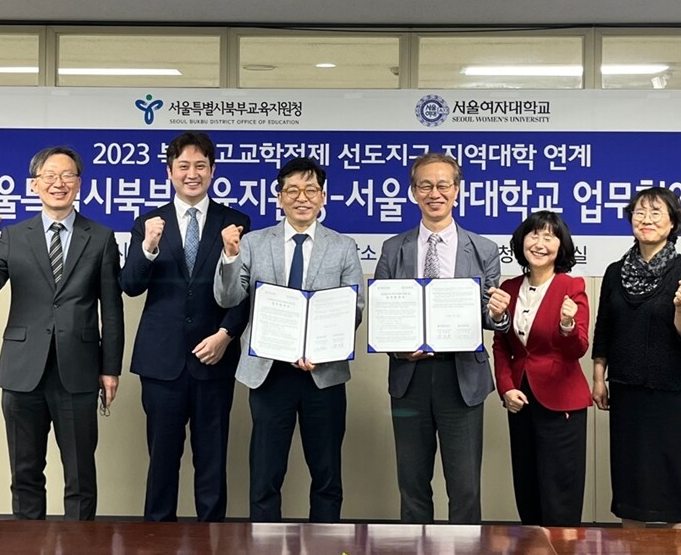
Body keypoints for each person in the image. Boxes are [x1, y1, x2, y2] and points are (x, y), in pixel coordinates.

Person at [0, 146, 124, 520]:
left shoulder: (100, 237)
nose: (59, 183)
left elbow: (112, 310)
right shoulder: (13, 236)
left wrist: (110, 369)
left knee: (81, 475)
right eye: (50, 176)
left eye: (68, 175)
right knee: (25, 473)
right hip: (23, 371)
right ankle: (27, 543)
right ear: (34, 185)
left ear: (79, 184)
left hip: (78, 369)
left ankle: (80, 545)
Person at [214, 157, 364, 523]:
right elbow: (228, 298)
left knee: (327, 474)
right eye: (292, 190)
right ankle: (263, 544)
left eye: (311, 190)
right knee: (266, 473)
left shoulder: (343, 246)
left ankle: (326, 543)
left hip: (323, 373)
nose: (302, 198)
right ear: (279, 197)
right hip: (269, 372)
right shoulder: (252, 243)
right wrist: (230, 257)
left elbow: (354, 308)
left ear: (323, 197)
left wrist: (322, 348)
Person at [119, 131, 251, 522]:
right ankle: (155, 539)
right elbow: (130, 285)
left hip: (214, 358)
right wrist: (148, 247)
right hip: (162, 361)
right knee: (162, 460)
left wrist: (226, 335)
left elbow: (247, 292)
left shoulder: (235, 222)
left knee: (212, 460)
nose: (192, 174)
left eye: (200, 166)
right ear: (169, 171)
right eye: (183, 166)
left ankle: (213, 539)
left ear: (213, 170)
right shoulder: (148, 223)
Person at [374, 153, 511, 524]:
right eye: (425, 186)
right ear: (413, 192)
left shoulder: (483, 249)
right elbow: (383, 314)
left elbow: (489, 316)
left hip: (461, 378)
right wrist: (398, 347)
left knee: (465, 487)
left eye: (443, 185)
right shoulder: (393, 248)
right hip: (410, 377)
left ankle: (465, 549)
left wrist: (499, 314)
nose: (434, 193)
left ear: (457, 190)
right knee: (412, 483)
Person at [591, 187, 681, 528]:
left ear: (672, 224)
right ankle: (633, 544)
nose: (646, 220)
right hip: (626, 389)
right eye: (639, 212)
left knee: (673, 477)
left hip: (669, 390)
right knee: (631, 478)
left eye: (656, 213)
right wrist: (598, 377)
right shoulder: (615, 272)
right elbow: (604, 327)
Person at [493, 211, 592, 527]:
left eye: (549, 237)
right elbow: (502, 345)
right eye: (533, 235)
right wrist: (506, 387)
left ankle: (563, 547)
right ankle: (531, 545)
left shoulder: (571, 286)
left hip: (561, 403)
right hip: (521, 400)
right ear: (521, 241)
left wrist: (567, 324)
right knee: (528, 487)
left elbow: (578, 349)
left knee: (559, 493)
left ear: (560, 246)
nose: (539, 243)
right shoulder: (509, 288)